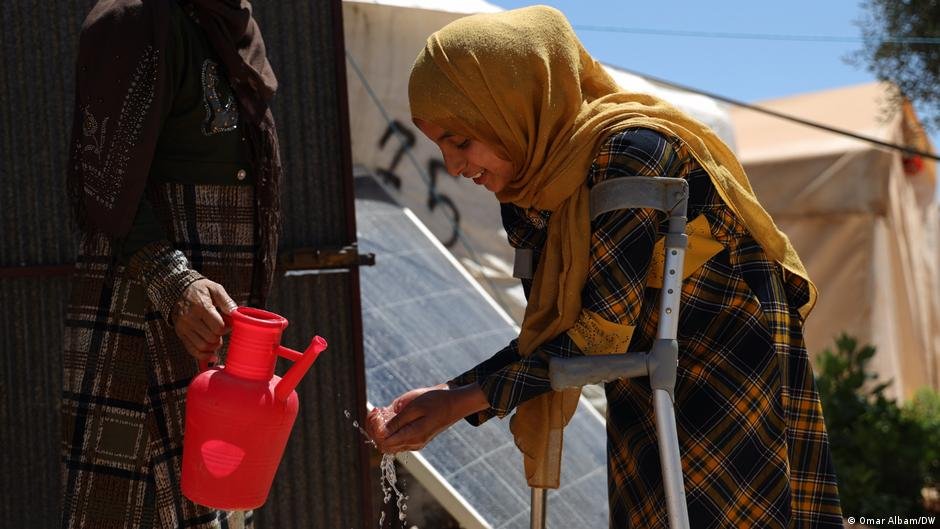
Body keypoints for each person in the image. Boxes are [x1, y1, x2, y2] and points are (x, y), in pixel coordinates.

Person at [365, 6, 843, 528]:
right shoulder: (531, 193)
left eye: (461, 140)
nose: (454, 166)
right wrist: (449, 395)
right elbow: (555, 336)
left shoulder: (632, 152)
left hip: (728, 374)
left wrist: (458, 401)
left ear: (510, 104)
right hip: (640, 382)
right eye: (441, 146)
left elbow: (597, 333)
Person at [62, 0, 280, 527]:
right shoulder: (139, 19)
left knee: (211, 505)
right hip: (137, 327)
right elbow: (100, 181)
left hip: (210, 340)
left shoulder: (228, 25)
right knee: (131, 508)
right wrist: (173, 281)